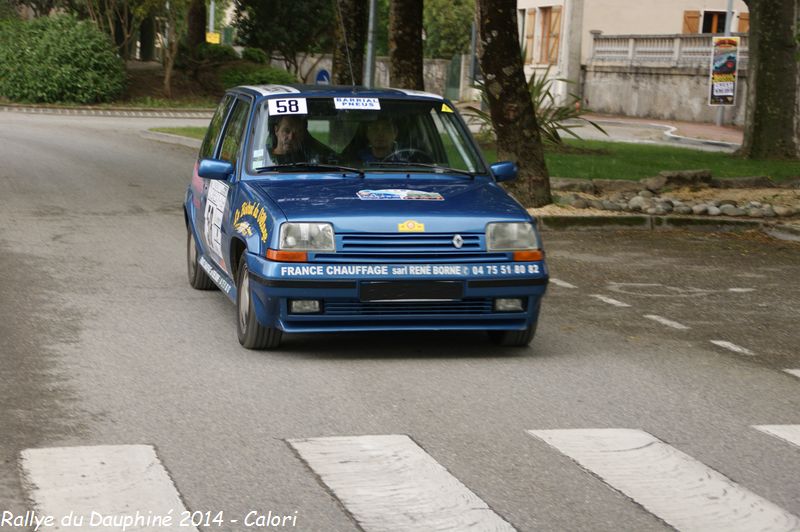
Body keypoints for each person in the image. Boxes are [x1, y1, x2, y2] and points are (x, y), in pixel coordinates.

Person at [269, 115, 333, 164]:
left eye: (297, 132)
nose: (291, 137)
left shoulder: (310, 159)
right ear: (276, 130)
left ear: (302, 135)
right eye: (286, 131)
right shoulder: (266, 161)